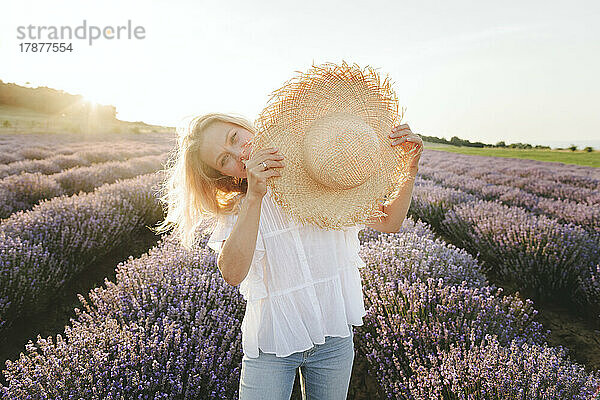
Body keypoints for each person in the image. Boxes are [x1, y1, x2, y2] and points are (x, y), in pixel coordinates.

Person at [154, 109, 422, 400]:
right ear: (223, 175)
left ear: (245, 126)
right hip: (273, 342)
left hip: (333, 338)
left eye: (234, 138)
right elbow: (232, 273)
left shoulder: (319, 171)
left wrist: (410, 168)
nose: (238, 154)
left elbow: (389, 222)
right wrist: (255, 196)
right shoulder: (239, 207)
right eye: (224, 160)